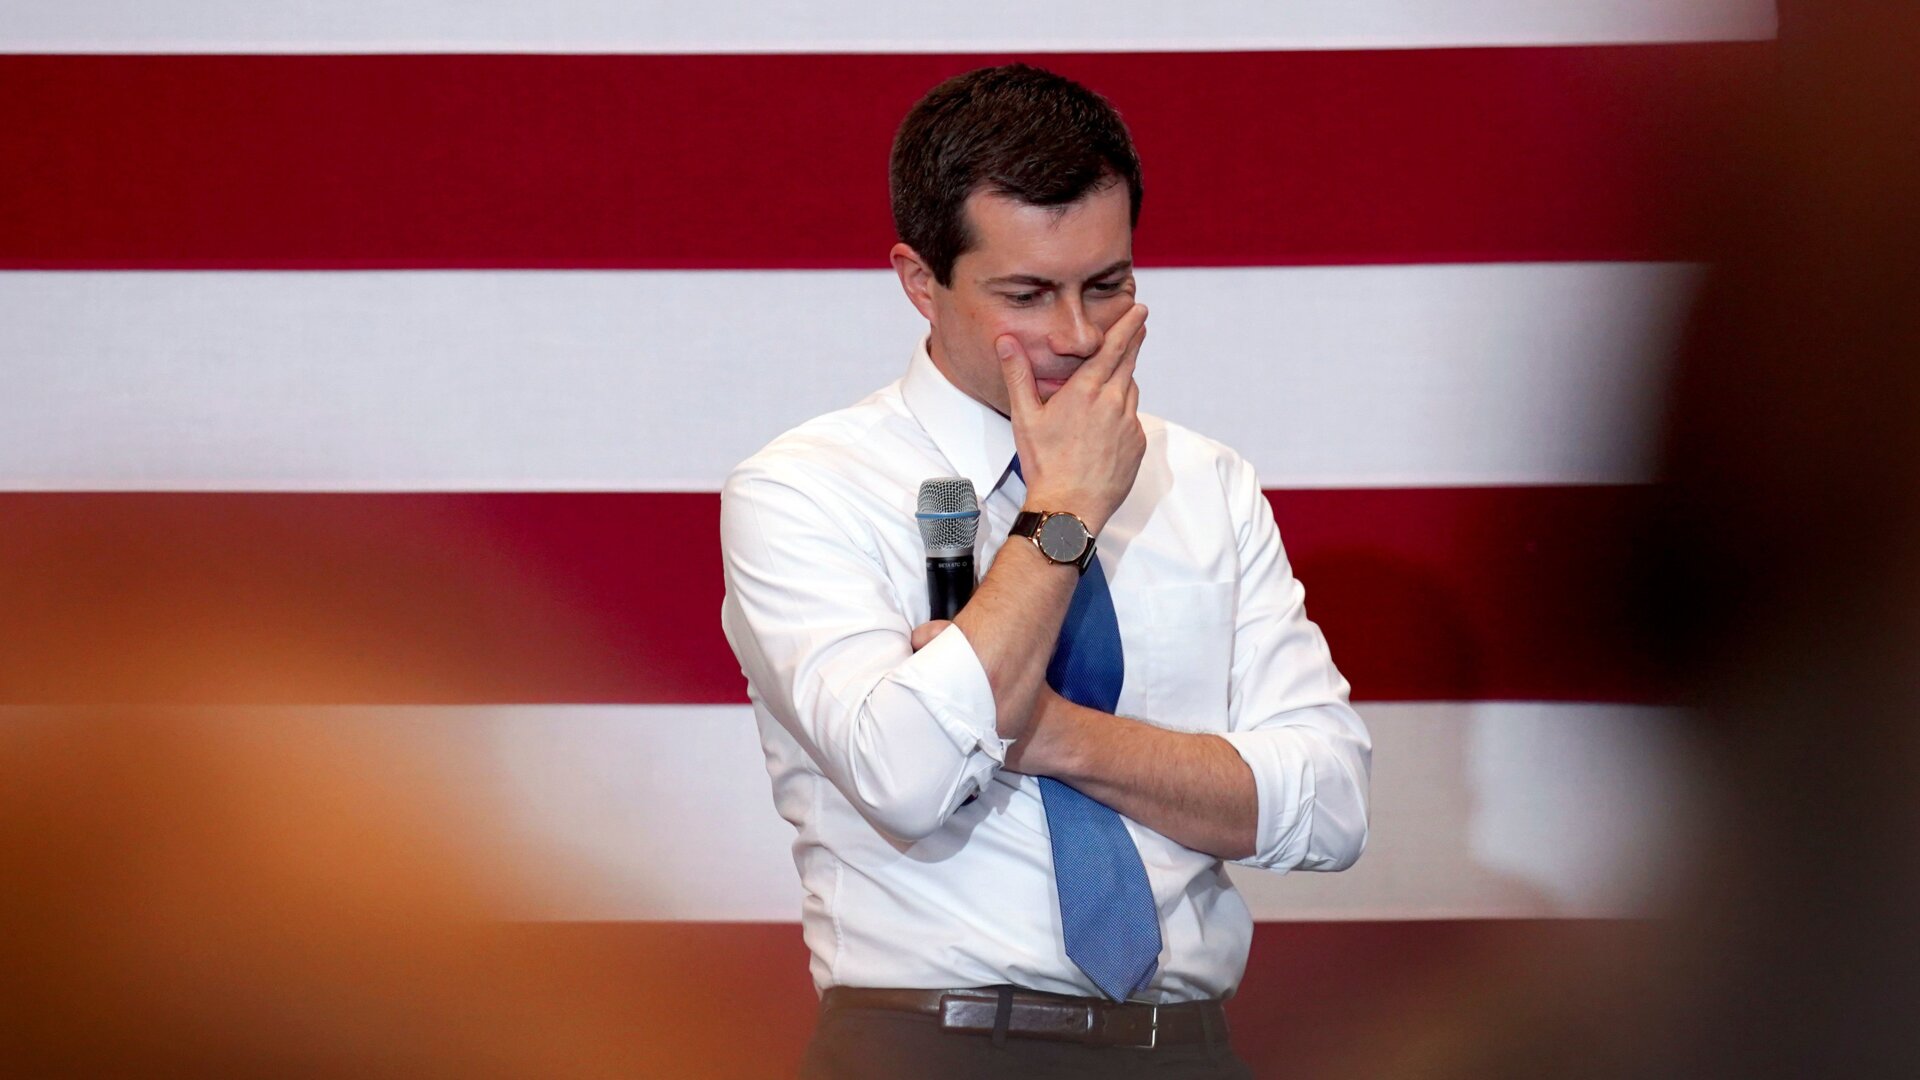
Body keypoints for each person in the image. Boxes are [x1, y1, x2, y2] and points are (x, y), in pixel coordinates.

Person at [719, 63, 1371, 1079]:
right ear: (918, 279)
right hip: (927, 1048)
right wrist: (1064, 512)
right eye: (1027, 294)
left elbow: (1328, 808)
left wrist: (1048, 731)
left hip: (1186, 1048)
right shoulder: (804, 491)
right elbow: (909, 775)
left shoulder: (1205, 481)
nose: (1075, 335)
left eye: (1106, 285)